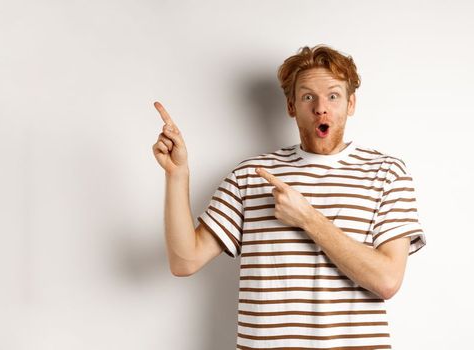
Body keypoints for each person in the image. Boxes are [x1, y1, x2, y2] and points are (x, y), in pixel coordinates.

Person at [152, 45, 426, 349]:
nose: (321, 108)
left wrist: (307, 218)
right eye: (308, 96)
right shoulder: (250, 176)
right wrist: (177, 175)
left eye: (333, 96)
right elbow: (184, 261)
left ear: (351, 104)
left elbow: (387, 280)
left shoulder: (386, 173)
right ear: (291, 106)